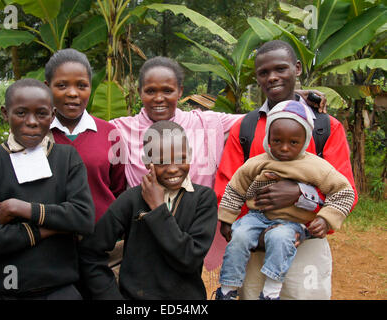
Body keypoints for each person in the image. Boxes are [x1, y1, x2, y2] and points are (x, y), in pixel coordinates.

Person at [109, 56, 324, 271]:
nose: (159, 98)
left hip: (197, 240)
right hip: (146, 240)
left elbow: (261, 117)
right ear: (139, 92)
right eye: (150, 91)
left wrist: (292, 99)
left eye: (167, 91)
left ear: (180, 91)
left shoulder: (207, 123)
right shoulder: (119, 130)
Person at [214, 40, 358, 299]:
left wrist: (300, 195)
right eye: (263, 73)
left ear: (298, 68)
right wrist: (248, 233)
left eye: (281, 69)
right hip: (253, 247)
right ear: (257, 78)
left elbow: (344, 189)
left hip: (304, 246)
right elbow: (228, 184)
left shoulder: (326, 126)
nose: (272, 78)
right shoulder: (244, 127)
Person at [0, 79, 95, 300]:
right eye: (21, 113)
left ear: (52, 116)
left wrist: (21, 208)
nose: (32, 122)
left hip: (58, 290)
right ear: (6, 113)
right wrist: (51, 228)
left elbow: (83, 219)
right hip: (1, 292)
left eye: (41, 114)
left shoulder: (66, 158)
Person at [78, 121, 218, 299]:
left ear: (190, 155)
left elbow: (189, 259)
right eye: (161, 161)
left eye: (181, 158)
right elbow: (91, 252)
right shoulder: (131, 199)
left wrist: (158, 208)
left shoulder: (203, 198)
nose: (173, 169)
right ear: (147, 162)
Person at [45, 48, 126, 223]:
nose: (73, 93)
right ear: (47, 87)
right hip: (50, 238)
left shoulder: (110, 134)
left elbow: (118, 189)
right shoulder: (37, 136)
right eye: (62, 85)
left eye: (82, 86)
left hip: (103, 238)